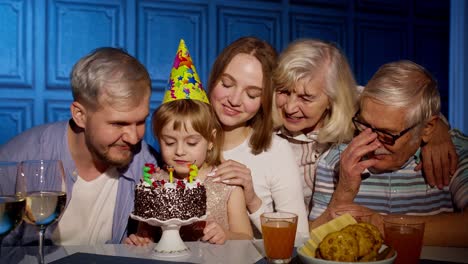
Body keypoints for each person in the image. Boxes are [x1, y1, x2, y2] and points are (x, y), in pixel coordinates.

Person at [272, 39, 458, 213]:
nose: (289, 107)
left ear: (332, 97)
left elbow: (407, 109)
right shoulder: (266, 131)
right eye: (283, 91)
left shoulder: (357, 105)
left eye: (306, 98)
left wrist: (437, 133)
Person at [0, 47, 157, 246]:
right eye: (119, 124)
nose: (134, 138)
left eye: (141, 121)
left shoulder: (145, 162)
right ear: (80, 115)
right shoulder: (15, 161)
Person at [309, 60, 468, 246]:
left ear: (427, 128)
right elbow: (313, 243)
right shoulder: (336, 160)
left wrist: (381, 225)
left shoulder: (452, 153)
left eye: (387, 134)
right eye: (365, 125)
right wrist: (344, 191)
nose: (373, 143)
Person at [124, 40, 253, 245]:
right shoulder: (155, 183)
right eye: (169, 142)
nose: (180, 152)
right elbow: (146, 235)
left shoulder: (226, 184)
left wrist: (226, 235)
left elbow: (246, 237)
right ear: (158, 138)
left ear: (210, 140)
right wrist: (140, 240)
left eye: (192, 143)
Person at [207, 37, 309, 237]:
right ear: (213, 80)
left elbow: (299, 238)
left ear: (265, 99)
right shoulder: (185, 141)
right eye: (227, 84)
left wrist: (253, 200)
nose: (234, 100)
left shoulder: (276, 151)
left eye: (252, 94)